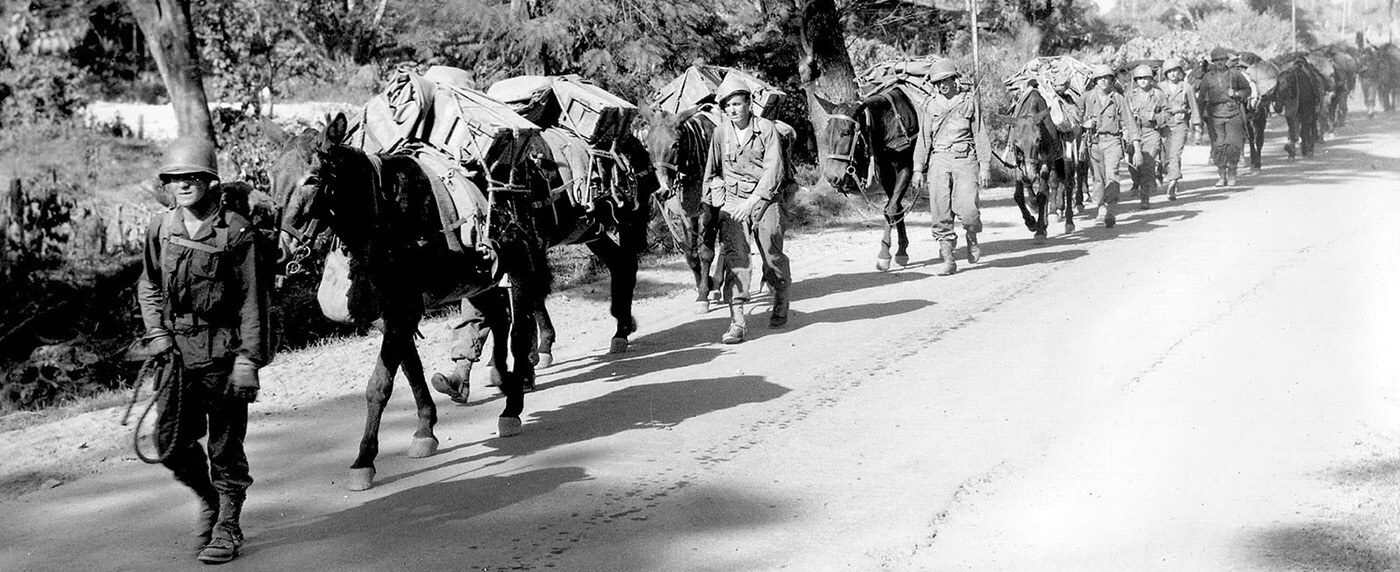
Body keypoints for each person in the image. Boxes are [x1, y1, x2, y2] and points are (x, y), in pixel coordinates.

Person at [135, 136, 271, 564]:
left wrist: (249, 359)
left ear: (209, 180)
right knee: (170, 441)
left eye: (191, 176)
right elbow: (150, 284)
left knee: (225, 447)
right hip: (176, 354)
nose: (183, 185)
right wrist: (156, 333)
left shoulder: (236, 231)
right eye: (175, 179)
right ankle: (211, 502)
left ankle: (228, 526)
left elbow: (253, 300)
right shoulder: (162, 227)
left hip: (224, 353)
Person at [701, 73, 791, 344]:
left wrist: (752, 203)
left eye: (737, 104)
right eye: (728, 106)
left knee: (771, 252)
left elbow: (773, 170)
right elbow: (711, 172)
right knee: (735, 257)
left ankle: (781, 296)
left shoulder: (766, 129)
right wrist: (716, 202)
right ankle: (737, 321)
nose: (733, 110)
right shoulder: (720, 133)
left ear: (749, 103)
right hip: (733, 201)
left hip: (765, 200)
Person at [911, 59, 991, 276]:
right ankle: (948, 257)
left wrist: (985, 166)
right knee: (940, 211)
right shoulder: (930, 105)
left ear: (955, 79)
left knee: (969, 211)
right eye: (938, 82)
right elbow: (924, 139)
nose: (942, 85)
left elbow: (980, 134)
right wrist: (918, 168)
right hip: (939, 160)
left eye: (945, 79)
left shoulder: (968, 102)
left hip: (965, 160)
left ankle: (972, 235)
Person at [1080, 64, 1140, 228]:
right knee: (1098, 178)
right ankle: (1100, 206)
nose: (1103, 81)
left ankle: (1111, 209)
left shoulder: (1118, 98)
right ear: (1095, 81)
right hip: (1094, 143)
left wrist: (1137, 147)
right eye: (1100, 78)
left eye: (1107, 78)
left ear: (1112, 80)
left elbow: (1129, 122)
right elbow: (1075, 118)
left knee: (1112, 174)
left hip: (1113, 141)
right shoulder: (1087, 98)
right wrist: (1084, 123)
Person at [1196, 47, 1252, 186]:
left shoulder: (1235, 74)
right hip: (1214, 115)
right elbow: (1201, 98)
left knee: (1233, 145)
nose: (1220, 62)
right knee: (1218, 146)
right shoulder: (1208, 77)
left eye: (1222, 59)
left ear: (1226, 60)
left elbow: (1247, 89)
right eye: (1217, 60)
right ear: (1213, 62)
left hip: (1233, 113)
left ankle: (1232, 172)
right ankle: (1222, 175)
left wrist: (1237, 94)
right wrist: (1199, 119)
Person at [1159, 57, 1203, 200]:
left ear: (1180, 72)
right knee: (1164, 157)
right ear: (1165, 74)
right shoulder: (1159, 88)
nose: (1172, 74)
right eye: (1169, 72)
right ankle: (1170, 174)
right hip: (1164, 126)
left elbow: (1194, 107)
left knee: (1175, 154)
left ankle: (1173, 183)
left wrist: (1197, 128)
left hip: (1179, 124)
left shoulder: (1186, 87)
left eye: (1175, 71)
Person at [1125, 64, 1168, 209]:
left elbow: (1167, 113)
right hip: (1134, 132)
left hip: (1151, 132)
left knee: (1148, 165)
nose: (1143, 81)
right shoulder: (1130, 95)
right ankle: (1136, 183)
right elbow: (1123, 114)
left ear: (1151, 79)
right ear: (1136, 80)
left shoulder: (1158, 94)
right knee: (1133, 165)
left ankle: (1145, 196)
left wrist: (1155, 117)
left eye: (1146, 78)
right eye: (1140, 78)